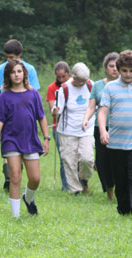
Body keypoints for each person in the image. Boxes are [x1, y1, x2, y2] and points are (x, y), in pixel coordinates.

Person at [98, 50, 132, 222]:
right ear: (119, 70)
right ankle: (123, 207)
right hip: (117, 143)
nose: (128, 74)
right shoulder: (110, 88)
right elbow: (103, 111)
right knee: (120, 178)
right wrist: (102, 130)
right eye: (124, 70)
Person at [0, 60, 50, 218]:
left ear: (24, 73)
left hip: (30, 139)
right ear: (8, 76)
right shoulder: (4, 97)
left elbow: (41, 117)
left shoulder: (33, 94)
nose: (16, 75)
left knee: (35, 178)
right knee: (15, 176)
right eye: (13, 72)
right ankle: (15, 216)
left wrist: (46, 138)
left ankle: (28, 198)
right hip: (11, 140)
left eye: (19, 71)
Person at [0, 39, 41, 191]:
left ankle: (19, 182)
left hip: (24, 118)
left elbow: (33, 95)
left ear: (20, 55)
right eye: (7, 57)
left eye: (12, 58)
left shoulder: (30, 70)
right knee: (11, 155)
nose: (9, 61)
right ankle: (10, 178)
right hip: (6, 116)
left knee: (26, 158)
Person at [52, 62, 94, 195]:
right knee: (69, 161)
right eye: (80, 80)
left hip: (86, 129)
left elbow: (96, 106)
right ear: (73, 77)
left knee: (87, 159)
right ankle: (75, 191)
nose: (82, 83)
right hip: (67, 130)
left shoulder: (91, 86)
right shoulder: (64, 88)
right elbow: (57, 110)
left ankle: (83, 179)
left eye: (84, 80)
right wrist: (55, 111)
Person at [82, 52, 119, 201]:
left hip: (120, 128)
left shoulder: (125, 84)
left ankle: (120, 189)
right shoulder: (97, 86)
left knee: (118, 160)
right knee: (102, 162)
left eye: (117, 66)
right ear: (105, 68)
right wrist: (86, 119)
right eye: (111, 66)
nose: (114, 69)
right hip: (101, 128)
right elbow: (91, 107)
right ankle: (109, 191)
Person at [46, 61, 71, 191]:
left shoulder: (76, 85)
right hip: (59, 127)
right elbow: (52, 109)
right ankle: (66, 186)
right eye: (58, 77)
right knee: (64, 157)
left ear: (69, 73)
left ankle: (80, 184)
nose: (61, 80)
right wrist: (54, 110)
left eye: (64, 77)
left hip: (76, 127)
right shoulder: (52, 88)